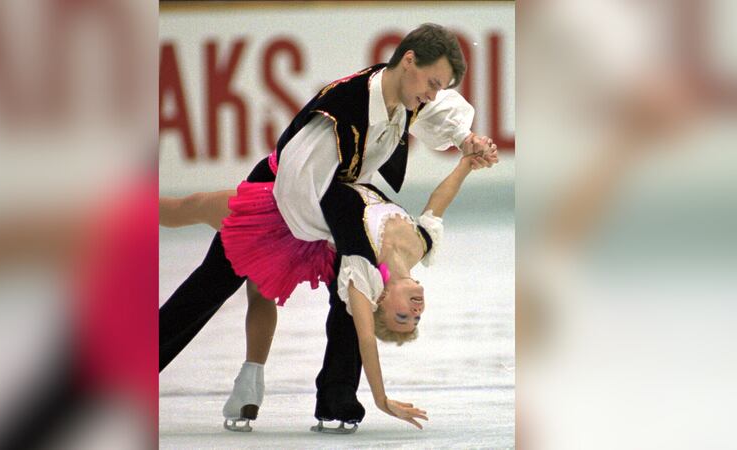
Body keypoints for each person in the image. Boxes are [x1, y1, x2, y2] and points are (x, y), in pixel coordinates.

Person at [159, 23, 496, 430]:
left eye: (439, 87)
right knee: (211, 282)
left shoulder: (408, 95)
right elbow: (296, 187)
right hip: (278, 202)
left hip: (330, 218)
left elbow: (442, 113)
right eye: (432, 83)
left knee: (350, 295)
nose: (433, 94)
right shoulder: (340, 111)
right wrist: (345, 234)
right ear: (409, 61)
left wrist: (465, 140)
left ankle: (337, 401)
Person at [161, 145, 498, 432]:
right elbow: (439, 200)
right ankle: (251, 383)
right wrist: (466, 164)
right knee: (257, 289)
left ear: (381, 300)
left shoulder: (360, 271)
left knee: (188, 209)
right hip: (304, 205)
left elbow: (366, 338)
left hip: (277, 208)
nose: (415, 312)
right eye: (416, 318)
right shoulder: (424, 243)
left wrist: (380, 398)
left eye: (403, 317)